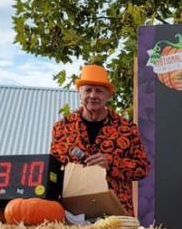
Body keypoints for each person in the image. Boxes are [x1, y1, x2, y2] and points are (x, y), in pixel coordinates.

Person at [50, 64, 149, 216]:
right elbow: (52, 170)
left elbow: (142, 168)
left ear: (108, 95)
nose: (93, 95)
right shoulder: (62, 128)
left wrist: (111, 163)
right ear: (80, 93)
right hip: (72, 214)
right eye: (88, 90)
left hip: (116, 215)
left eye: (99, 91)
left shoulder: (127, 129)